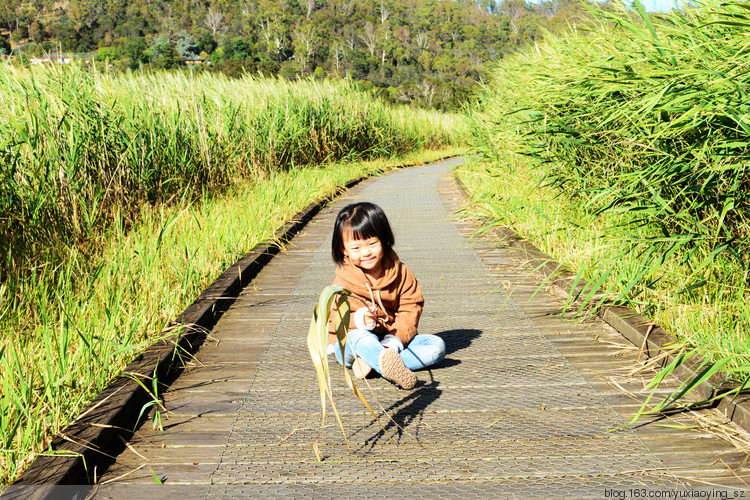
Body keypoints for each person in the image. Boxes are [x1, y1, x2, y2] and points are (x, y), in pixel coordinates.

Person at [327, 201, 445, 390]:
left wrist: (393, 341)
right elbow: (336, 320)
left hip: (392, 340)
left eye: (372, 243)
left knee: (436, 346)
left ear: (383, 239)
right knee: (360, 338)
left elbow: (410, 307)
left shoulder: (401, 273)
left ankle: (374, 365)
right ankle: (383, 362)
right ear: (344, 250)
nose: (366, 252)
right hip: (355, 344)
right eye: (356, 248)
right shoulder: (342, 282)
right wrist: (360, 320)